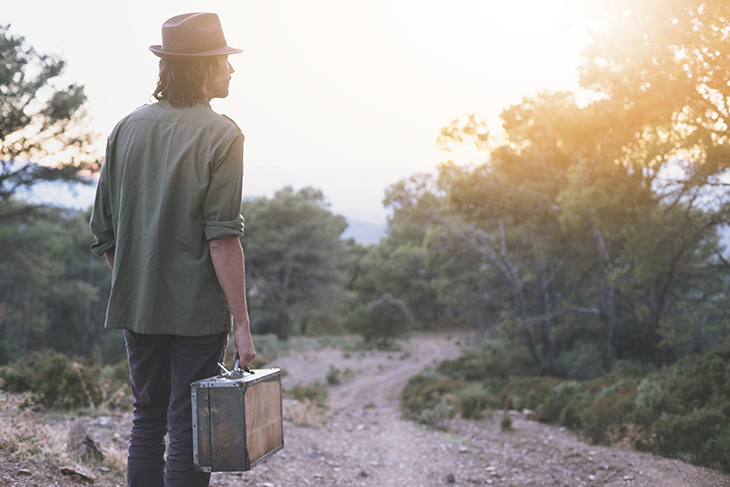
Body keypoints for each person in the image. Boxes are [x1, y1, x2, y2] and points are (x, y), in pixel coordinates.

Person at [89, 12, 256, 487]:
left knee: (147, 420)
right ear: (203, 67)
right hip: (197, 315)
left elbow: (103, 230)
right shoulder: (223, 134)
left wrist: (138, 282)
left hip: (138, 308)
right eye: (225, 60)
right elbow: (222, 237)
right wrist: (242, 326)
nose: (231, 69)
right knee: (187, 427)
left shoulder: (125, 128)